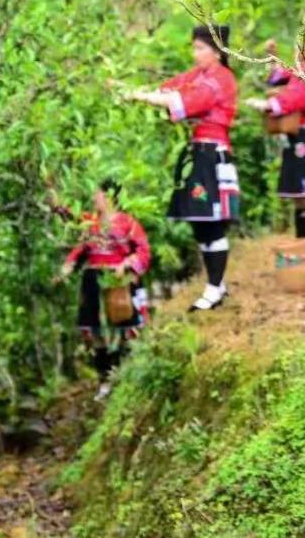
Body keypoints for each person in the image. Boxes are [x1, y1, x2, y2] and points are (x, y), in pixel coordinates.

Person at [129, 25, 239, 312]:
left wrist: (144, 97)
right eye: (194, 48)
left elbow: (187, 100)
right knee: (199, 220)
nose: (195, 54)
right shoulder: (199, 75)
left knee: (211, 221)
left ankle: (214, 288)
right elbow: (172, 87)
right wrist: (142, 91)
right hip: (199, 152)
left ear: (217, 51)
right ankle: (217, 286)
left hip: (213, 154)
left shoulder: (221, 78)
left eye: (201, 48)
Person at [60, 180, 151, 400]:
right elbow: (72, 221)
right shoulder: (90, 222)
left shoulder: (128, 223)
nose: (94, 198)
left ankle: (122, 377)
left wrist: (126, 263)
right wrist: (55, 201)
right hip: (93, 279)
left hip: (117, 281)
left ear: (110, 197)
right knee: (95, 331)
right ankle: (104, 380)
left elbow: (143, 250)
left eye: (98, 194)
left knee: (123, 329)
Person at [245, 39, 305, 236]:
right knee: (299, 192)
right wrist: (272, 56)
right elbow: (278, 77)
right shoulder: (298, 70)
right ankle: (301, 239)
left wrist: (269, 104)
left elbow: (297, 96)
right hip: (297, 135)